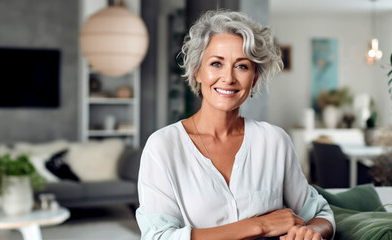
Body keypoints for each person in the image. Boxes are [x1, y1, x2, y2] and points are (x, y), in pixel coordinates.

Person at [136, 10, 335, 240]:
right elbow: (158, 237)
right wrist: (258, 226)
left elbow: (320, 215)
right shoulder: (163, 146)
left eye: (242, 66)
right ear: (197, 71)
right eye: (216, 63)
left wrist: (310, 233)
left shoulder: (274, 141)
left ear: (255, 79)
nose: (228, 78)